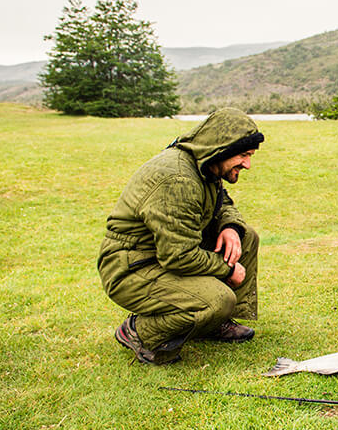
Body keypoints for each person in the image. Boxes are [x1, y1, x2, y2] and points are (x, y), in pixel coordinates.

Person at [97, 107, 264, 365]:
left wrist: (230, 226)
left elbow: (222, 201)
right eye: (243, 155)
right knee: (218, 300)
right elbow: (179, 256)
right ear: (222, 147)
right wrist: (228, 270)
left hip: (162, 254)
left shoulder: (205, 163)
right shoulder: (177, 179)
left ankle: (216, 323)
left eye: (250, 155)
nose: (248, 164)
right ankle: (140, 332)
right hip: (131, 267)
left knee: (246, 236)